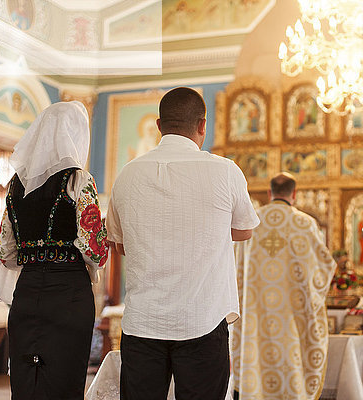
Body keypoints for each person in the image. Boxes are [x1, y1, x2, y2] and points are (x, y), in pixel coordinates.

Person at [106, 87, 259, 400]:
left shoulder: (127, 174)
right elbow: (245, 230)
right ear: (202, 126)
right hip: (202, 318)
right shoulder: (225, 171)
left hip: (143, 323)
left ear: (160, 126)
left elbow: (120, 245)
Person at [0, 101, 109, 400]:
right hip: (69, 295)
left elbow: (5, 251)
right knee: (64, 382)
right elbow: (94, 248)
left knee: (26, 382)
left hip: (27, 293)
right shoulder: (78, 179)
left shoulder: (15, 185)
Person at [232, 172, 336, 400]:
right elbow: (323, 269)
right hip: (291, 316)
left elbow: (234, 268)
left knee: (255, 368)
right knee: (292, 372)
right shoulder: (305, 224)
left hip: (254, 315)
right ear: (294, 194)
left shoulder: (252, 222)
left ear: (269, 193)